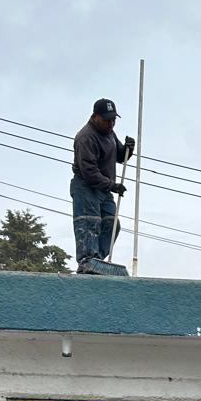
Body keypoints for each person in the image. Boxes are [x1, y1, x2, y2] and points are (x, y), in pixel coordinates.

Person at [72, 98, 135, 273]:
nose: (111, 123)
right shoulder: (86, 137)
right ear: (95, 117)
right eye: (107, 119)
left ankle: (96, 261)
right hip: (86, 187)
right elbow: (89, 173)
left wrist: (129, 149)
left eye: (113, 119)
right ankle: (87, 260)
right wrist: (113, 186)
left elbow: (120, 156)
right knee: (90, 223)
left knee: (112, 224)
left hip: (104, 189)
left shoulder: (109, 132)